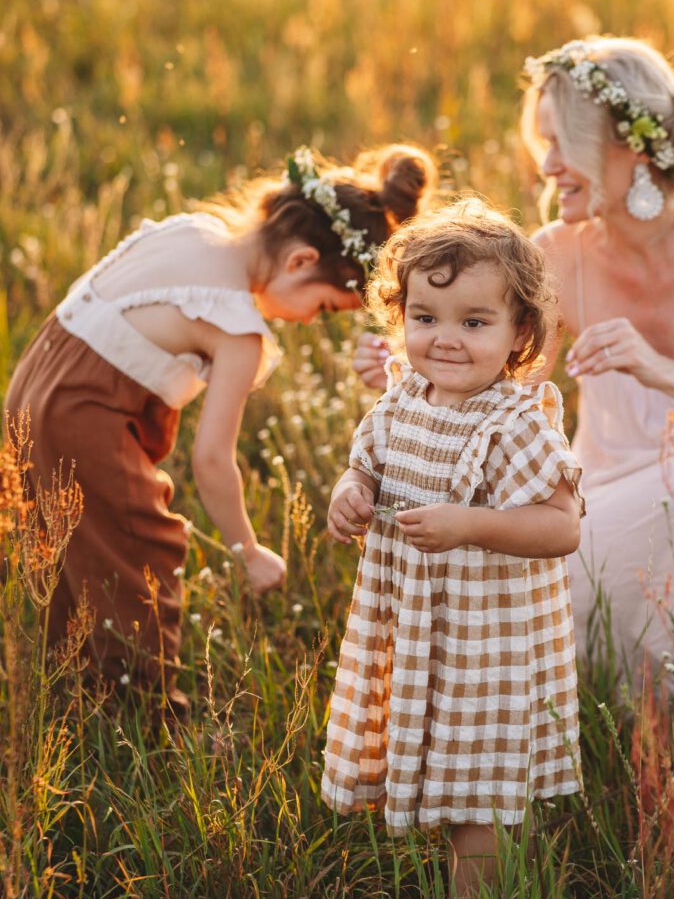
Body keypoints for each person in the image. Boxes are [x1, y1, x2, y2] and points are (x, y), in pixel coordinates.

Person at [355, 37, 674, 726]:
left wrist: (666, 374)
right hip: (613, 501)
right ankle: (638, 713)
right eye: (543, 144)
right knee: (505, 556)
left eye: (564, 143)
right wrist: (411, 380)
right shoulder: (554, 254)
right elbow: (496, 406)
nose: (548, 166)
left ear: (634, 147)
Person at [5, 142, 435, 712]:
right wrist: (248, 549)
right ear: (301, 261)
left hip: (33, 386)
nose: (311, 322)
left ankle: (70, 673)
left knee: (76, 535)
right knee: (142, 543)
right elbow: (212, 461)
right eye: (326, 308)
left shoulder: (193, 230)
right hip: (82, 411)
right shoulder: (237, 330)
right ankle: (141, 707)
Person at [323, 203, 584, 899]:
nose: (444, 339)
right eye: (426, 316)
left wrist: (470, 523)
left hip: (488, 644)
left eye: (474, 322)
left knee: (479, 797)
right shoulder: (403, 399)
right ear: (399, 315)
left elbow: (562, 527)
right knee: (446, 771)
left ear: (519, 333)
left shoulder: (517, 421)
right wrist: (351, 492)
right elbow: (364, 466)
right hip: (416, 635)